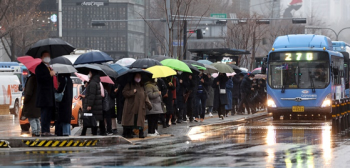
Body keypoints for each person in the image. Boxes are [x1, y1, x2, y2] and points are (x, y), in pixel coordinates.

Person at [35, 51, 56, 136]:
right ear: (42, 57)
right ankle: (44, 131)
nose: (47, 57)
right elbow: (40, 79)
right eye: (46, 56)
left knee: (48, 114)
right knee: (44, 113)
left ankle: (47, 130)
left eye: (48, 56)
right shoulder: (39, 68)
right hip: (43, 95)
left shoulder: (49, 68)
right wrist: (49, 75)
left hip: (49, 95)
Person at [122, 73, 148, 138]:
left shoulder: (142, 86)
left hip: (140, 107)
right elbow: (124, 93)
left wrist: (149, 105)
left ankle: (141, 133)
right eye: (137, 76)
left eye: (139, 76)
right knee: (131, 121)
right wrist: (132, 92)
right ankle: (129, 133)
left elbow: (145, 96)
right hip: (131, 107)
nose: (138, 78)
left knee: (140, 121)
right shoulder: (129, 84)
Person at [83, 70, 104, 135]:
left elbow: (92, 95)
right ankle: (92, 134)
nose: (88, 74)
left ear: (92, 73)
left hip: (93, 106)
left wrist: (89, 105)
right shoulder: (95, 82)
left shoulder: (92, 83)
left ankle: (87, 134)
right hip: (96, 105)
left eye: (89, 72)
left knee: (91, 120)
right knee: (93, 121)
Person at [22, 72, 41, 137]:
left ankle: (35, 132)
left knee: (32, 118)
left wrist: (25, 101)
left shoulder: (31, 79)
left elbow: (28, 93)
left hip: (31, 103)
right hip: (37, 102)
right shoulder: (39, 79)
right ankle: (38, 132)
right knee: (36, 118)